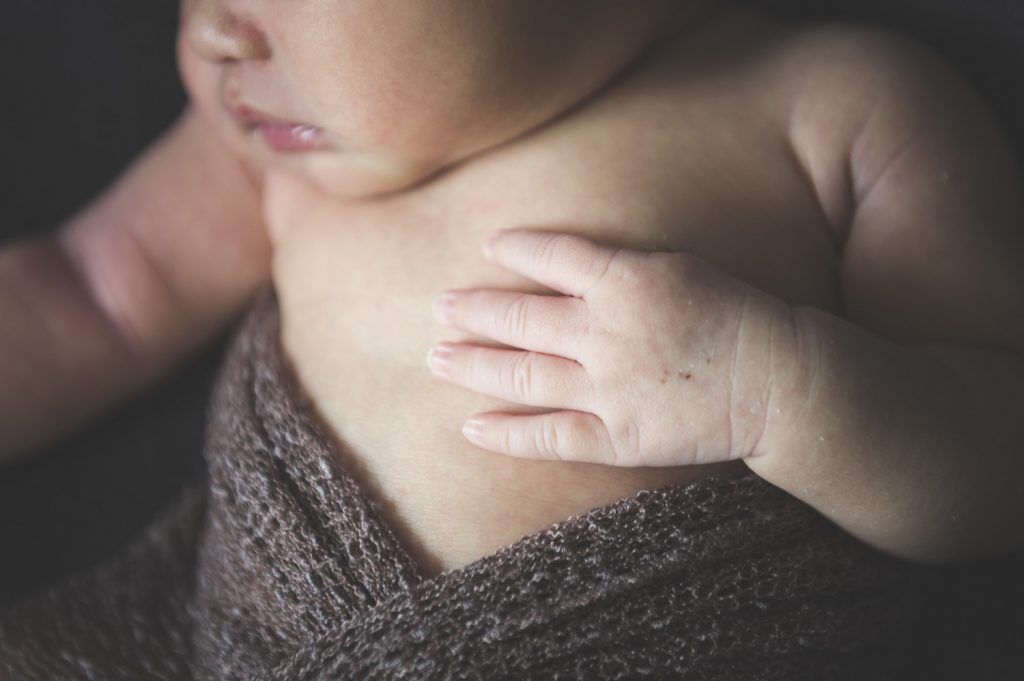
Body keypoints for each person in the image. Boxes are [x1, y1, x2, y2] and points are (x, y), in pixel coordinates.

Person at [1, 0, 1021, 582]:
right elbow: (92, 294)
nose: (216, 33)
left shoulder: (836, 105)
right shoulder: (271, 151)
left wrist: (777, 394)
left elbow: (995, 466)